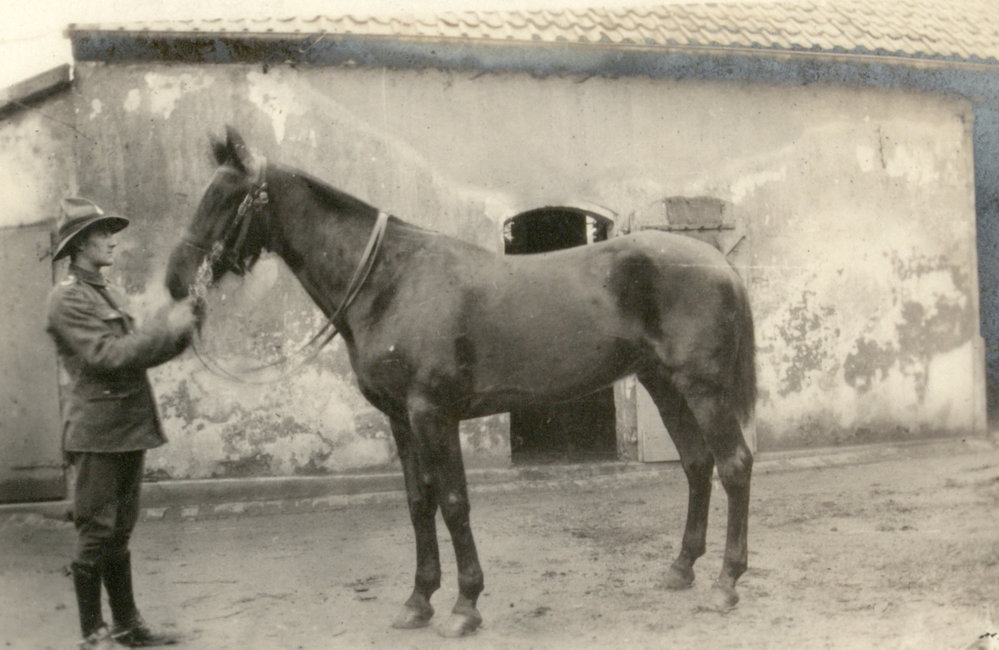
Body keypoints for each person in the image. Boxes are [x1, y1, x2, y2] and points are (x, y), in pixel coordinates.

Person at [45, 197, 198, 648]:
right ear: (78, 245)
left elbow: (140, 353)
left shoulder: (108, 293)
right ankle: (93, 634)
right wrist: (166, 327)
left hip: (127, 427)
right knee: (96, 532)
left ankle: (128, 626)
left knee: (120, 532)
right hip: (97, 433)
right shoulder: (67, 298)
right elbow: (108, 356)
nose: (112, 240)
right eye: (102, 233)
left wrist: (183, 330)